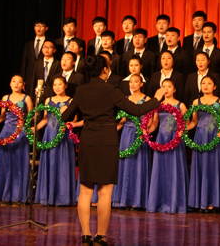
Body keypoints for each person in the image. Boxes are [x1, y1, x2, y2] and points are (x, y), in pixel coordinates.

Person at [60, 55, 164, 246]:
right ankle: (100, 236)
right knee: (105, 193)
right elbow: (137, 110)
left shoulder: (81, 90)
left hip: (88, 141)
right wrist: (157, 97)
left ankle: (85, 236)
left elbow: (65, 116)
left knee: (85, 191)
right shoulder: (111, 89)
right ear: (105, 70)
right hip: (107, 142)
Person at [146, 79, 189, 214]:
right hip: (161, 139)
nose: (166, 89)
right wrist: (146, 133)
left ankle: (175, 203)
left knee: (174, 168)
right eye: (163, 86)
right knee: (160, 169)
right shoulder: (158, 105)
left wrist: (181, 131)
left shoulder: (180, 105)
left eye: (169, 86)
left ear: (174, 89)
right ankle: (159, 202)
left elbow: (187, 123)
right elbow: (155, 123)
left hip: (175, 139)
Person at [187, 76, 220, 212]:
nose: (205, 85)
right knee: (201, 166)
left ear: (214, 86)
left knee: (214, 166)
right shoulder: (196, 101)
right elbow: (194, 121)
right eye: (203, 83)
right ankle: (201, 201)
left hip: (215, 136)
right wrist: (183, 128)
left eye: (209, 83)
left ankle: (215, 201)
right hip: (200, 136)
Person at [112, 74, 154, 210]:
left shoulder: (147, 99)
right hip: (126, 134)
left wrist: (144, 132)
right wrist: (112, 129)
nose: (133, 84)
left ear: (141, 84)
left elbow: (150, 120)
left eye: (136, 82)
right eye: (131, 82)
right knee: (125, 165)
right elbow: (123, 119)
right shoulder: (126, 99)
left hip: (140, 134)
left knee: (139, 164)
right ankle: (123, 199)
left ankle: (138, 200)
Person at [0, 75, 33, 205]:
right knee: (5, 163)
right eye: (14, 81)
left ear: (23, 85)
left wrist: (24, 126)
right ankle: (4, 195)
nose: (16, 84)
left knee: (19, 164)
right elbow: (2, 116)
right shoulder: (5, 98)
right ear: (10, 83)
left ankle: (17, 196)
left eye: (19, 82)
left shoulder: (27, 98)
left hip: (20, 133)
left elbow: (31, 115)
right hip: (6, 132)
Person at [35, 76, 77, 206]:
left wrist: (67, 123)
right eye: (55, 85)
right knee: (50, 164)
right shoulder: (48, 100)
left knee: (63, 164)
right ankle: (48, 196)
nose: (57, 87)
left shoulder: (71, 100)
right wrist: (34, 128)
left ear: (65, 85)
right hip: (49, 134)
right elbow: (45, 119)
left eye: (60, 84)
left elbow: (74, 119)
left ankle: (62, 198)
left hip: (63, 135)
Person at [21, 19, 48, 98]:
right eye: (37, 25)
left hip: (43, 76)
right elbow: (24, 63)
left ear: (46, 28)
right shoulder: (28, 44)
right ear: (34, 28)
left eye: (41, 25)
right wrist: (23, 80)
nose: (39, 28)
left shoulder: (49, 43)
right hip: (29, 78)